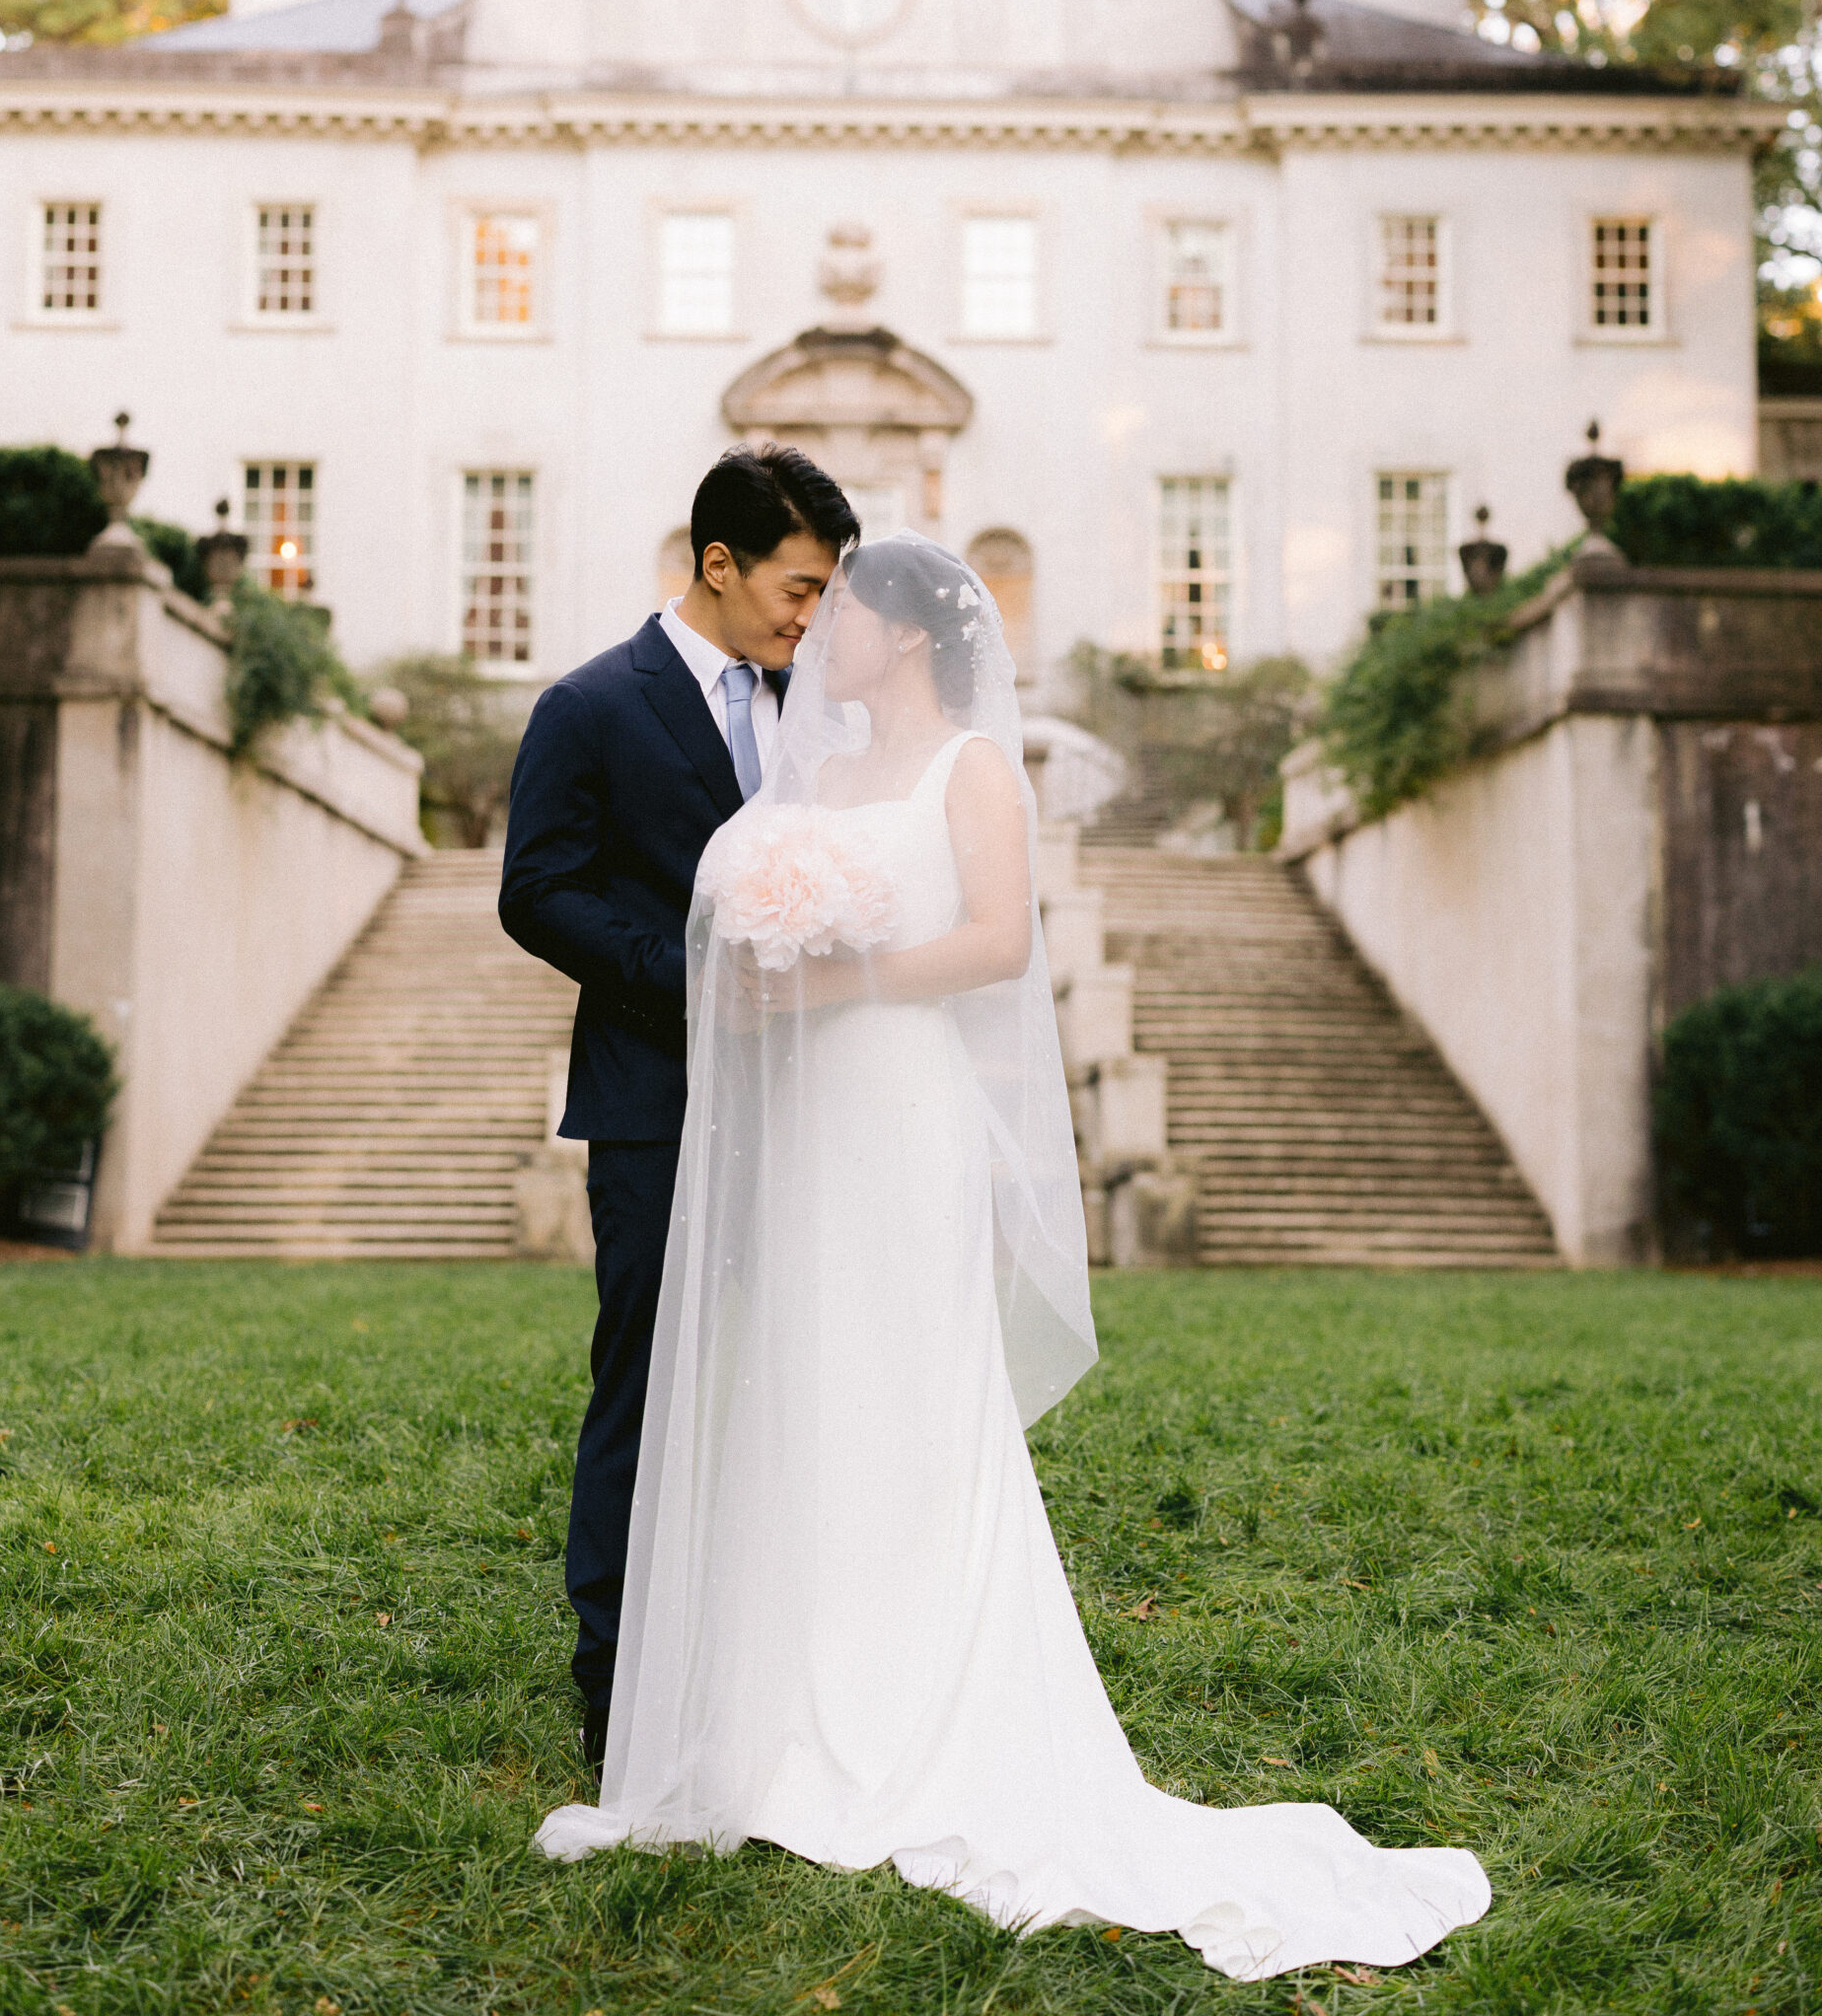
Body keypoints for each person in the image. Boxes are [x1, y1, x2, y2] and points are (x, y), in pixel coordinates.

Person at [528, 532, 1492, 1982]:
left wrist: (833, 977)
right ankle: (789, 1714)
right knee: (804, 1400)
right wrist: (756, 959)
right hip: (802, 1124)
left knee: (906, 1397)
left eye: (838, 609)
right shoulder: (808, 764)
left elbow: (994, 944)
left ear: (904, 638)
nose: (816, 626)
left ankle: (925, 1712)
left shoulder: (971, 771)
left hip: (900, 1111)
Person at [498, 443, 859, 1771]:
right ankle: (619, 1683)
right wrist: (690, 978)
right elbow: (535, 889)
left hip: (808, 1101)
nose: (812, 617)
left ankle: (767, 1664)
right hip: (657, 1096)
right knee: (645, 1385)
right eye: (799, 587)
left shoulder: (820, 718)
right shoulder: (590, 705)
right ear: (718, 563)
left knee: (790, 1382)